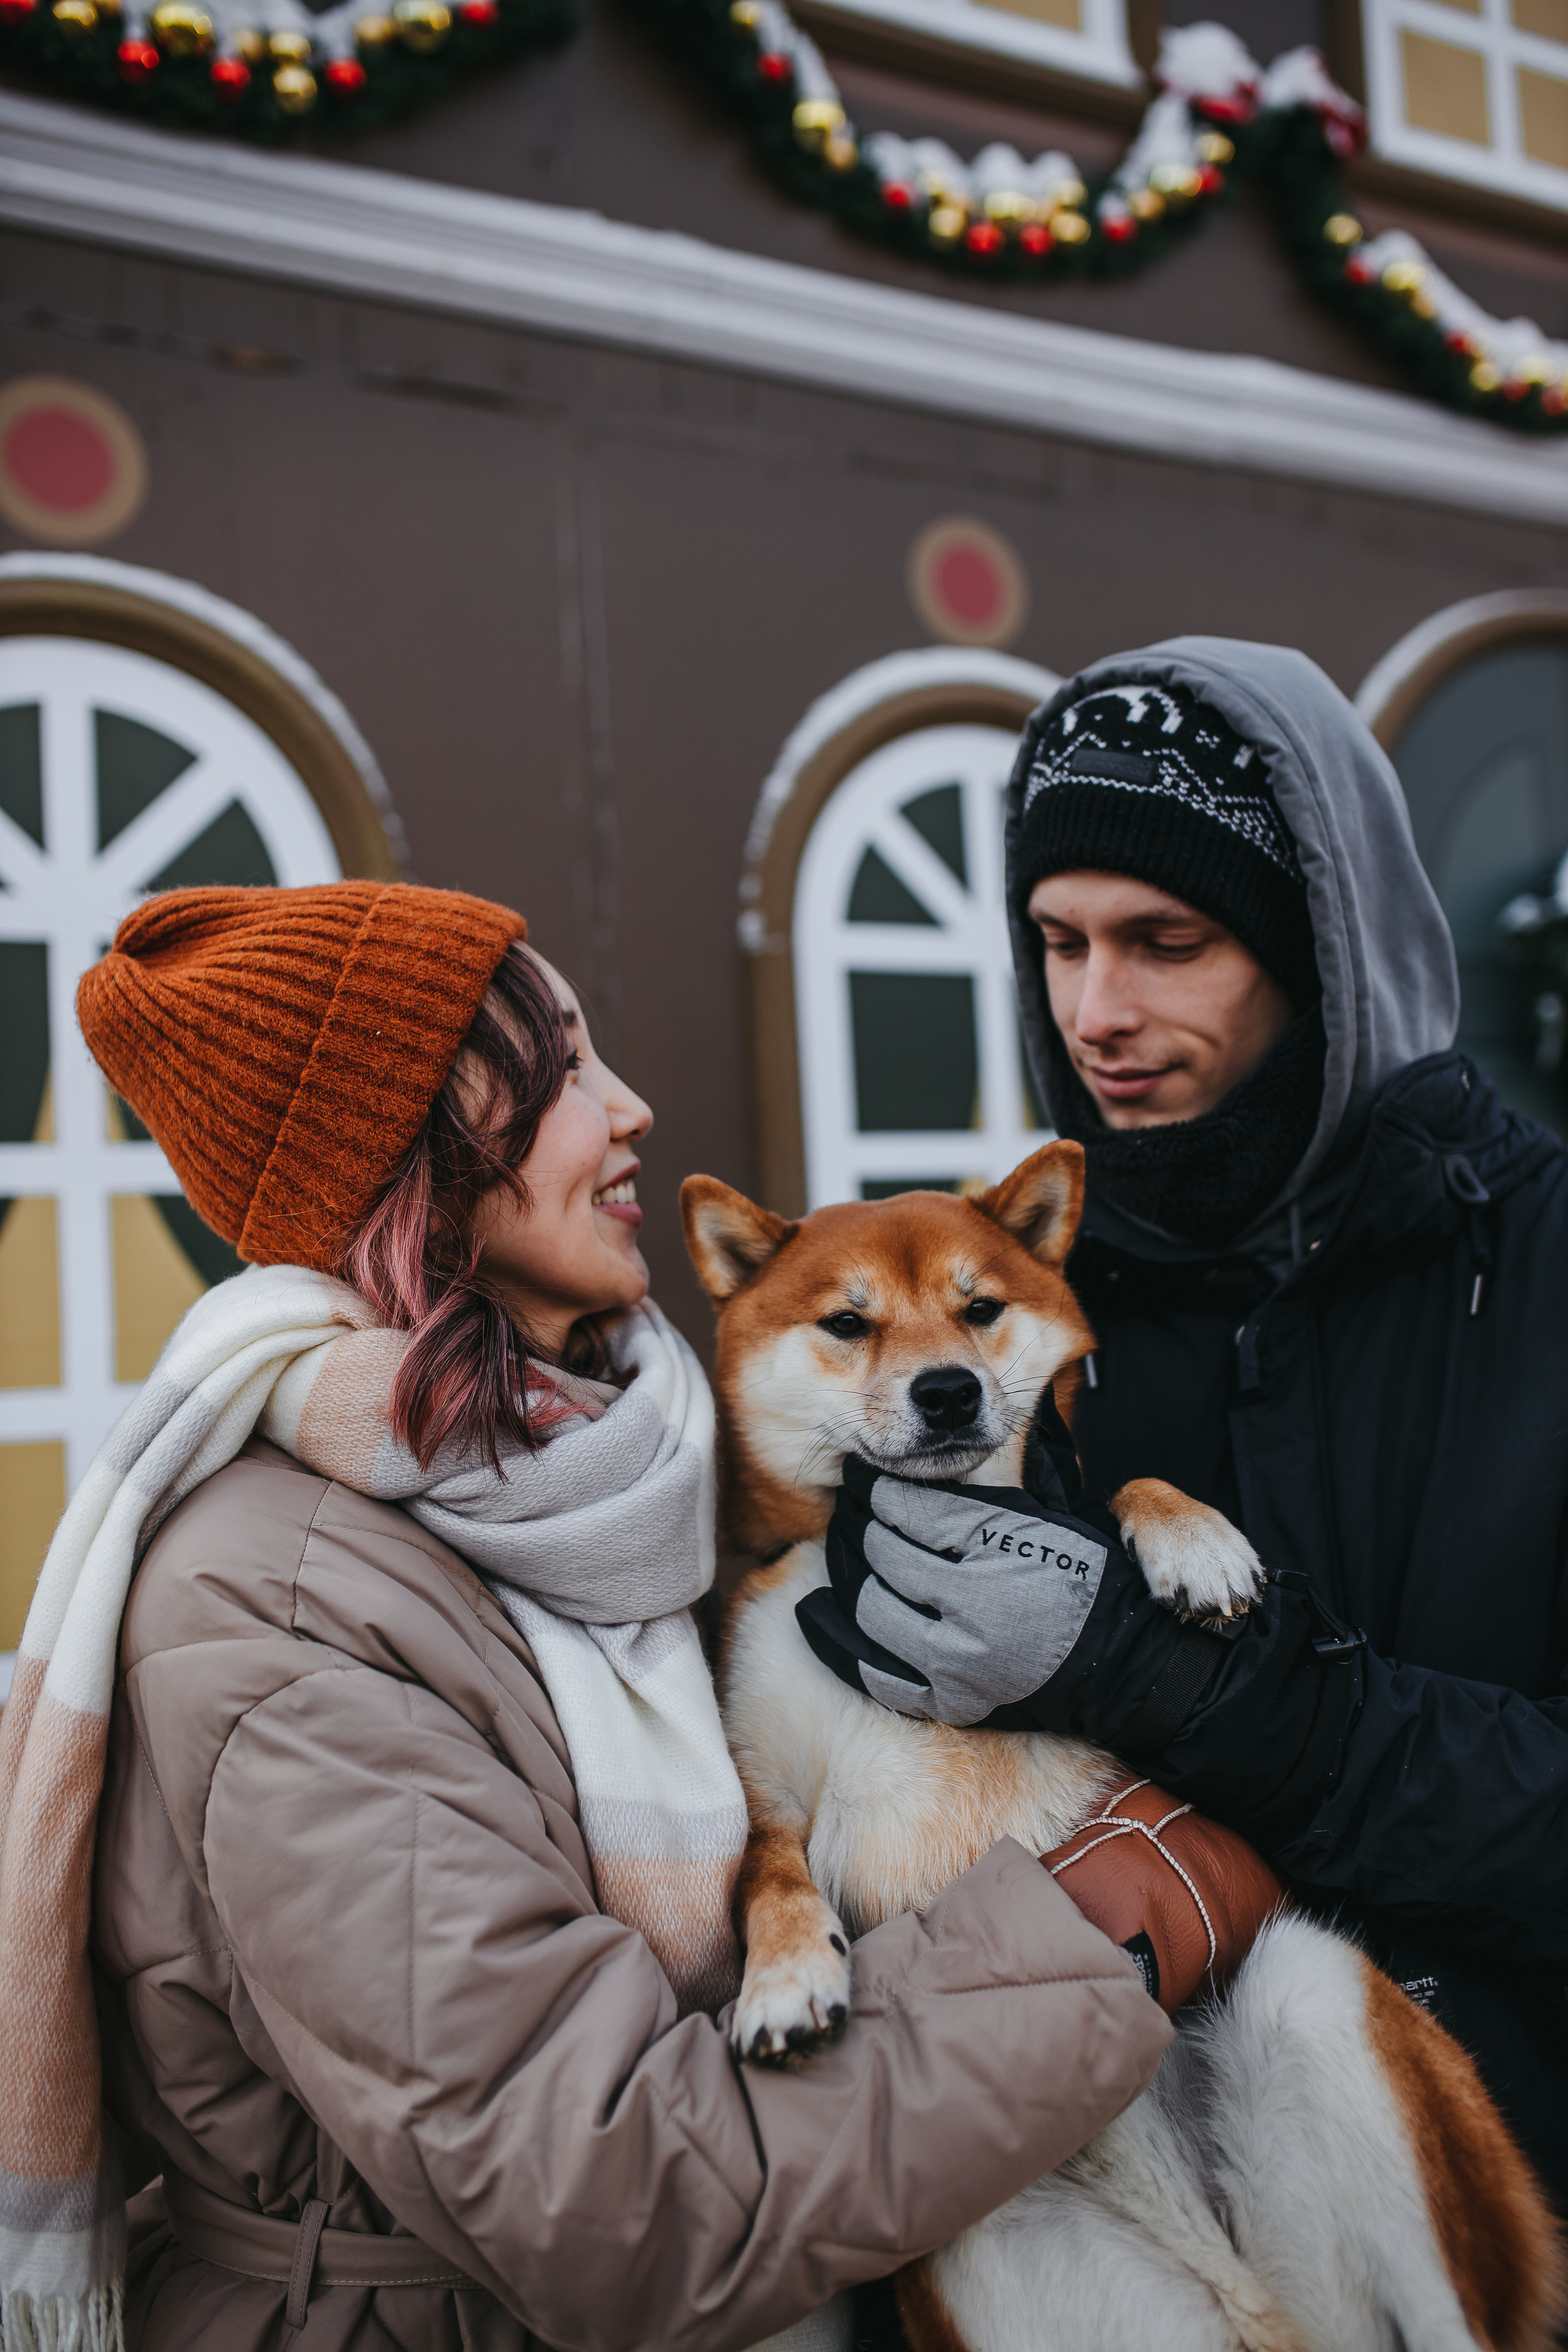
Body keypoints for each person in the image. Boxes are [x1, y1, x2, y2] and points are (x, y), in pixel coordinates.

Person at [0, 880, 1183, 2352]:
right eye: (560, 1074)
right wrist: (1125, 1922)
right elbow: (608, 2192)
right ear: (414, 1155)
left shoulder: (615, 1487)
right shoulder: (272, 1607)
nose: (629, 1110)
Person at [808, 638, 1568, 2218]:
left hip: (1502, 2227)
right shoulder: (1017, 1311)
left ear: (1322, 953)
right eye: (1058, 941)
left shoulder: (1543, 1268)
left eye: (1170, 941)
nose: (1098, 1011)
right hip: (1135, 2231)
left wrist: (1196, 1685)